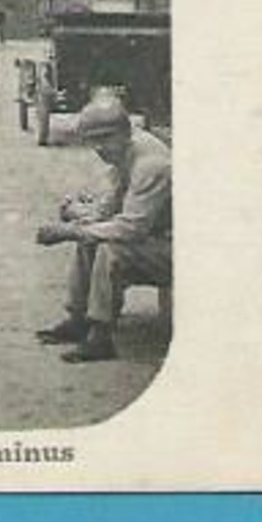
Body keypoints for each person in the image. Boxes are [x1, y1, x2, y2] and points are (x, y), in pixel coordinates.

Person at [34, 102, 172, 363]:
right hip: (155, 235)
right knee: (90, 237)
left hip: (177, 245)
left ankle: (100, 335)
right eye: (92, 140)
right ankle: (78, 318)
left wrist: (69, 231)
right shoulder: (128, 152)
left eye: (106, 138)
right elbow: (112, 205)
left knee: (110, 249)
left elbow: (131, 228)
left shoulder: (151, 164)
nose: (99, 147)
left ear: (126, 133)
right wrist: (81, 218)